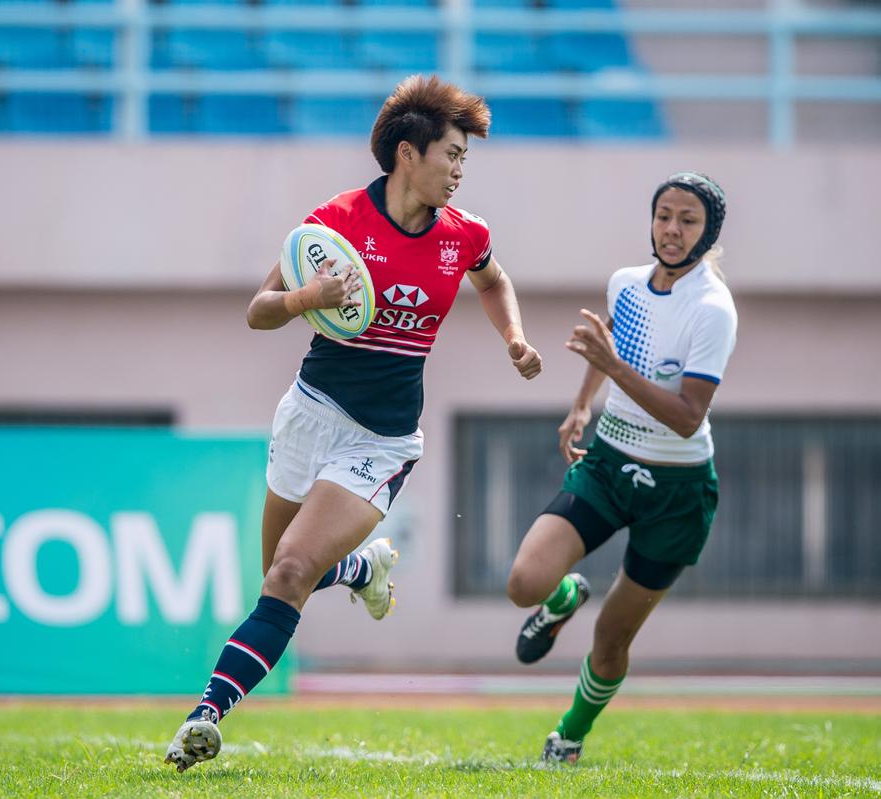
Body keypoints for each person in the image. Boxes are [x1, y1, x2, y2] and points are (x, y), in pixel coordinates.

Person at [165, 74, 543, 772]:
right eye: (451, 154)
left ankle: (204, 717)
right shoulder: (335, 221)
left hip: (382, 440)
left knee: (288, 570)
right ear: (408, 152)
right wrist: (311, 295)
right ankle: (362, 567)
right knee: (281, 578)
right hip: (308, 415)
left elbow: (492, 279)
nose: (460, 170)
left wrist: (513, 337)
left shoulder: (465, 236)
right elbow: (258, 310)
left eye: (466, 157)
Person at [505, 172, 736, 765]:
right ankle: (560, 600)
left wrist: (611, 365)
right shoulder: (626, 284)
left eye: (688, 220)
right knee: (523, 582)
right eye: (664, 215)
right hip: (609, 462)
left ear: (709, 231)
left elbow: (687, 416)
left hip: (677, 492)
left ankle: (569, 736)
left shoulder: (712, 309)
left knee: (611, 639)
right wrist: (583, 403)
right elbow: (616, 348)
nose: (673, 229)